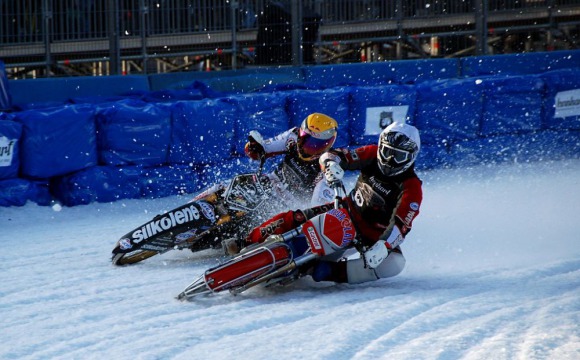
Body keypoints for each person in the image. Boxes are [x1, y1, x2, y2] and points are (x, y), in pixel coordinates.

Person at [234, 122, 423, 285]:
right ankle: (245, 241)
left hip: (371, 234)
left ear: (411, 157)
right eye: (387, 152)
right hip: (344, 210)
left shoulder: (412, 187)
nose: (390, 160)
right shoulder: (372, 153)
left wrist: (384, 245)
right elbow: (335, 154)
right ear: (381, 146)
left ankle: (328, 271)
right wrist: (331, 166)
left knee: (394, 264)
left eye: (398, 156)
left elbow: (401, 225)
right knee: (294, 217)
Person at [193, 112, 339, 252]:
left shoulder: (327, 168)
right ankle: (190, 208)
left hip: (283, 206)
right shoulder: (292, 136)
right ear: (301, 133)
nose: (307, 148)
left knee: (255, 218)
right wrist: (254, 147)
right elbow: (264, 148)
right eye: (305, 139)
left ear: (326, 146)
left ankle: (243, 242)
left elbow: (316, 211)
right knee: (224, 187)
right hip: (268, 182)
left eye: (314, 145)